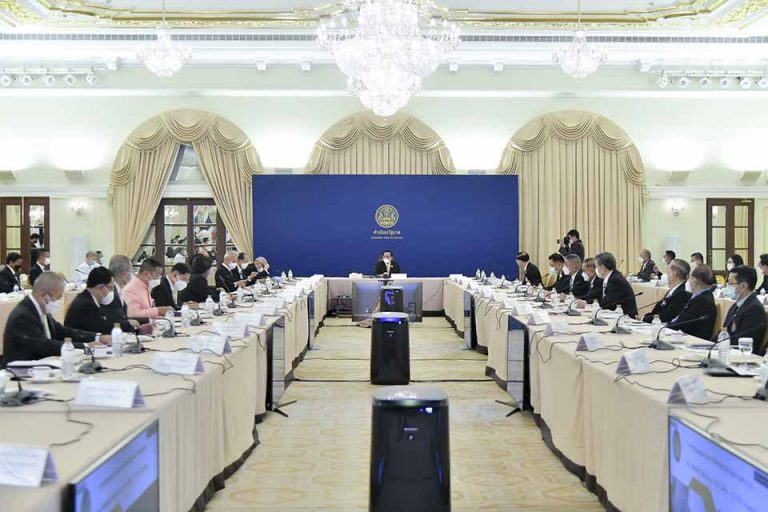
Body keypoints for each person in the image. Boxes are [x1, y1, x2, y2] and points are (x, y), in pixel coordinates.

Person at [2, 272, 110, 365]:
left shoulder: (41, 309)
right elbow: (44, 346)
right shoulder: (23, 315)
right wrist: (85, 346)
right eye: (58, 297)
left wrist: (97, 337)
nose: (58, 302)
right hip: (22, 373)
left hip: (42, 365)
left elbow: (62, 331)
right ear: (43, 295)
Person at [719, 265, 768, 355]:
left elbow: (743, 342)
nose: (727, 286)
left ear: (743, 286)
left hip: (741, 356)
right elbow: (724, 332)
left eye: (730, 283)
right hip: (726, 351)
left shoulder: (754, 309)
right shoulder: (735, 306)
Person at [64, 266, 119, 334]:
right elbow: (104, 328)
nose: (112, 291)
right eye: (110, 288)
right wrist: (127, 325)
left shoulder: (86, 297)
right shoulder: (87, 305)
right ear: (100, 287)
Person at [102, 255, 148, 333]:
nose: (133, 274)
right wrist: (132, 326)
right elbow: (114, 321)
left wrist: (139, 327)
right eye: (131, 271)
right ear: (124, 274)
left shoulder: (118, 290)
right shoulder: (110, 293)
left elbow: (123, 318)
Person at [673, 264, 717, 340]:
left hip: (692, 340)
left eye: (689, 277)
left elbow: (683, 324)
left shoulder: (702, 301)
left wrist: (665, 327)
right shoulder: (699, 296)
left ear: (694, 280)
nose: (688, 281)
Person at [642, 259, 691, 323]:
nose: (665, 275)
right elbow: (658, 310)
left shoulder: (682, 294)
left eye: (667, 272)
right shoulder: (673, 290)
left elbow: (667, 316)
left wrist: (644, 318)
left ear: (674, 274)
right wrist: (645, 317)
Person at [595, 252, 637, 316]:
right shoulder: (612, 276)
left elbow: (609, 304)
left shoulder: (615, 280)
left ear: (602, 268)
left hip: (626, 318)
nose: (596, 269)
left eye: (596, 267)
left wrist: (594, 306)